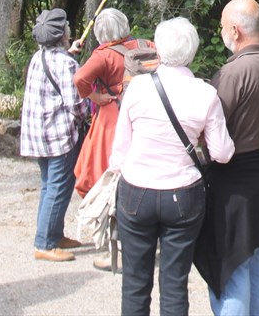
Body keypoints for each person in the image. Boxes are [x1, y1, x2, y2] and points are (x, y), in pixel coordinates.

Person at [110, 16, 234, 316]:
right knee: (175, 282)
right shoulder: (205, 94)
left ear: (159, 51)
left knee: (135, 282)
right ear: (192, 54)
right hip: (184, 195)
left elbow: (120, 151)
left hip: (136, 190)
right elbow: (221, 153)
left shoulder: (137, 88)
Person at [194, 0, 259, 316]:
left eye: (223, 26)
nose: (222, 31)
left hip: (233, 184)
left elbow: (210, 132)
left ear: (235, 31)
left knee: (231, 269)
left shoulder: (233, 73)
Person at [72, 8, 158, 272]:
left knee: (112, 182)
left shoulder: (103, 55)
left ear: (100, 33)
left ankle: (120, 251)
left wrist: (94, 97)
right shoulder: (148, 45)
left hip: (114, 117)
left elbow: (79, 79)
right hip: (150, 116)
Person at [20, 8, 89, 262]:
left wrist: (69, 51)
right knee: (58, 188)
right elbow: (76, 103)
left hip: (39, 135)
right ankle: (44, 244)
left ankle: (54, 234)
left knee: (49, 185)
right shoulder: (66, 64)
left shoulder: (39, 56)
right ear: (62, 34)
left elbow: (56, 68)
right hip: (59, 136)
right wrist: (87, 114)